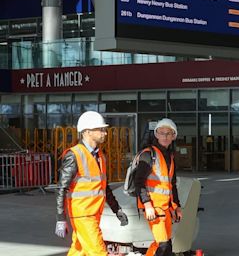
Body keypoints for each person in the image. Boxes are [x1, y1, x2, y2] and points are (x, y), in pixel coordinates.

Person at [55, 110, 129, 255]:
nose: (105, 133)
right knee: (98, 252)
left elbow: (103, 186)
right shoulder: (74, 155)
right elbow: (61, 188)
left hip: (94, 213)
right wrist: (60, 218)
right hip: (83, 214)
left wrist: (116, 209)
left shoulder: (100, 156)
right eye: (101, 130)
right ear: (87, 132)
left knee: (78, 250)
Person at [134, 118, 182, 256]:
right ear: (156, 134)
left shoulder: (170, 157)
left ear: (174, 136)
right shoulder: (149, 155)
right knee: (163, 244)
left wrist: (176, 206)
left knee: (165, 245)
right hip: (153, 208)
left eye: (169, 133)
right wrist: (147, 205)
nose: (165, 136)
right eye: (162, 133)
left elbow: (171, 185)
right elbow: (139, 182)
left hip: (165, 208)